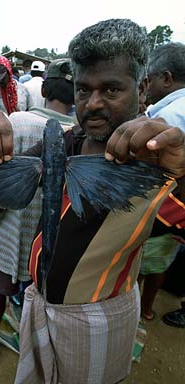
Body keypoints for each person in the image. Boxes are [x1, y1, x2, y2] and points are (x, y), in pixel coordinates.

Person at [0, 19, 185, 384]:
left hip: (97, 320)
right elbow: (9, 166)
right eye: (84, 90)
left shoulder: (154, 160)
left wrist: (181, 174)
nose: (93, 104)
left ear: (143, 86)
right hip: (37, 300)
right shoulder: (70, 140)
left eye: (112, 89)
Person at [0, 58, 75, 359]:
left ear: (43, 88)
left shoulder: (15, 122)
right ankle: (39, 350)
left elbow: (1, 185)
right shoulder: (76, 134)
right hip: (48, 235)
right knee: (40, 293)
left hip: (12, 225)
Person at [138, 42, 185, 320]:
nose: (148, 85)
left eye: (150, 79)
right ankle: (146, 310)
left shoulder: (171, 114)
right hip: (175, 216)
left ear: (166, 78)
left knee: (142, 264)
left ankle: (136, 309)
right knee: (162, 261)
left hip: (165, 211)